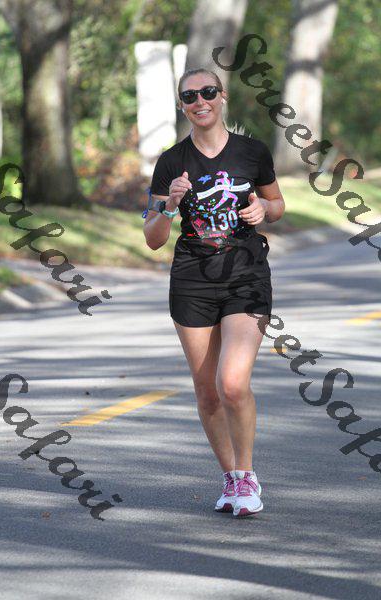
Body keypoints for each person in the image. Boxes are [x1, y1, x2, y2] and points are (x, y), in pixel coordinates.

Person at [143, 68, 285, 517]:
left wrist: (264, 210)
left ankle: (247, 475)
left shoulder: (252, 152)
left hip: (246, 275)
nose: (199, 101)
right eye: (190, 96)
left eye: (207, 92)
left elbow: (277, 205)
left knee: (232, 383)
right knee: (207, 393)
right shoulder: (171, 162)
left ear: (222, 96)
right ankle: (230, 478)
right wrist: (169, 205)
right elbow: (152, 238)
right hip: (192, 281)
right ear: (182, 105)